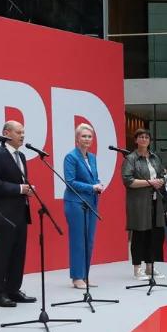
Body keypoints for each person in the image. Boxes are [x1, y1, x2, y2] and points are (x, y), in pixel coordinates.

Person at [0, 121, 35, 308]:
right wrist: (19, 188)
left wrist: (25, 190)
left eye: (24, 132)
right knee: (3, 255)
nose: (22, 135)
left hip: (21, 212)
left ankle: (13, 289)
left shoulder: (21, 155)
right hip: (3, 213)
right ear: (6, 133)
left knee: (18, 253)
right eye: (19, 132)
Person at [121, 129, 166, 281]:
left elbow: (162, 174)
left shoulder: (155, 157)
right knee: (139, 235)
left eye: (147, 137)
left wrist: (161, 181)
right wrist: (150, 182)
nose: (144, 139)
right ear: (136, 140)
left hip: (154, 201)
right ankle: (137, 268)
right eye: (141, 137)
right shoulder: (130, 158)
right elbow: (128, 181)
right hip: (138, 203)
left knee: (152, 235)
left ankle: (150, 267)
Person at [64, 123, 104, 290]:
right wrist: (91, 187)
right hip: (75, 203)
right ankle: (76, 277)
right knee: (78, 241)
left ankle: (85, 275)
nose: (87, 139)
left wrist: (98, 184)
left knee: (89, 240)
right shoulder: (71, 157)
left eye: (90, 136)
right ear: (77, 138)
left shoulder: (93, 157)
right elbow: (70, 181)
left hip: (91, 202)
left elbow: (93, 178)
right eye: (84, 136)